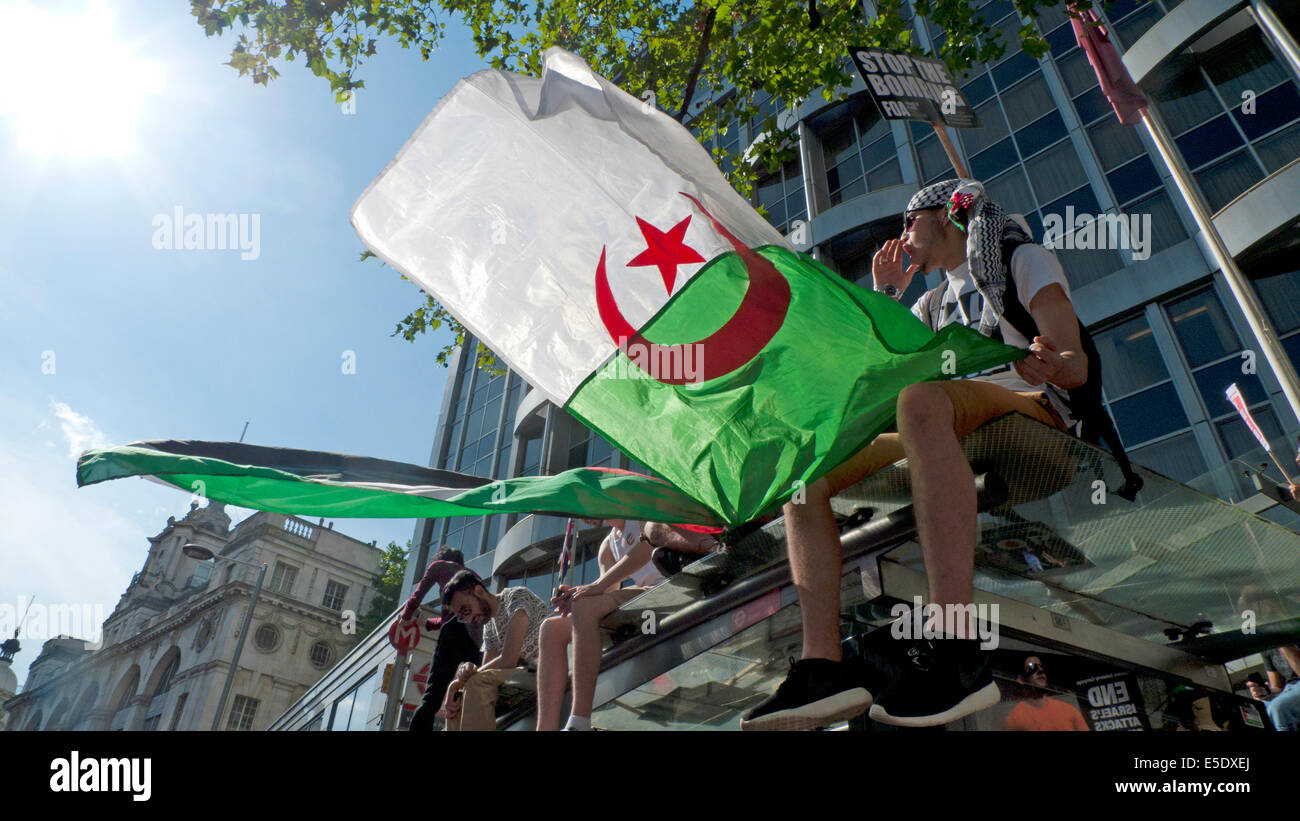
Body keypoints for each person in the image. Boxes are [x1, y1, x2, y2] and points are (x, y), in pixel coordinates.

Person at [743, 178, 1089, 730]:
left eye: (908, 222)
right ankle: (824, 666)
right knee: (806, 475)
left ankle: (956, 645)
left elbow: (1075, 365)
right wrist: (886, 299)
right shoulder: (928, 304)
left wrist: (1048, 362)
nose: (902, 238)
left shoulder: (1020, 259)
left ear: (947, 216)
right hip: (947, 425)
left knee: (922, 400)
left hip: (1035, 416)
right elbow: (869, 384)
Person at [535, 519, 714, 730]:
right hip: (641, 600)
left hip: (669, 587)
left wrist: (593, 588)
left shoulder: (637, 515)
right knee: (550, 628)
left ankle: (579, 720)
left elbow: (647, 544)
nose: (584, 517)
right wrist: (574, 595)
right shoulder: (607, 546)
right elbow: (608, 589)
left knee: (583, 605)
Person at [441, 571, 551, 731]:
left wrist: (463, 679)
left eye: (466, 610)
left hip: (547, 669)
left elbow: (508, 659)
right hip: (525, 675)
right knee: (460, 696)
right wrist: (458, 684)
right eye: (462, 617)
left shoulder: (516, 597)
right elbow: (488, 671)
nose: (469, 619)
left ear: (479, 591)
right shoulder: (489, 626)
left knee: (476, 684)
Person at [398, 547, 483, 732]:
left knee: (433, 693)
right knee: (469, 689)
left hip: (453, 633)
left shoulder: (439, 567)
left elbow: (417, 596)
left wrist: (405, 618)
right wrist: (426, 623)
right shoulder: (473, 575)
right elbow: (456, 617)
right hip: (475, 638)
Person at [1002, 655, 1089, 731]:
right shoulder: (1015, 720)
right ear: (1020, 680)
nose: (1040, 670)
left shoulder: (1068, 710)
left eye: (1041, 666)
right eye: (1032, 667)